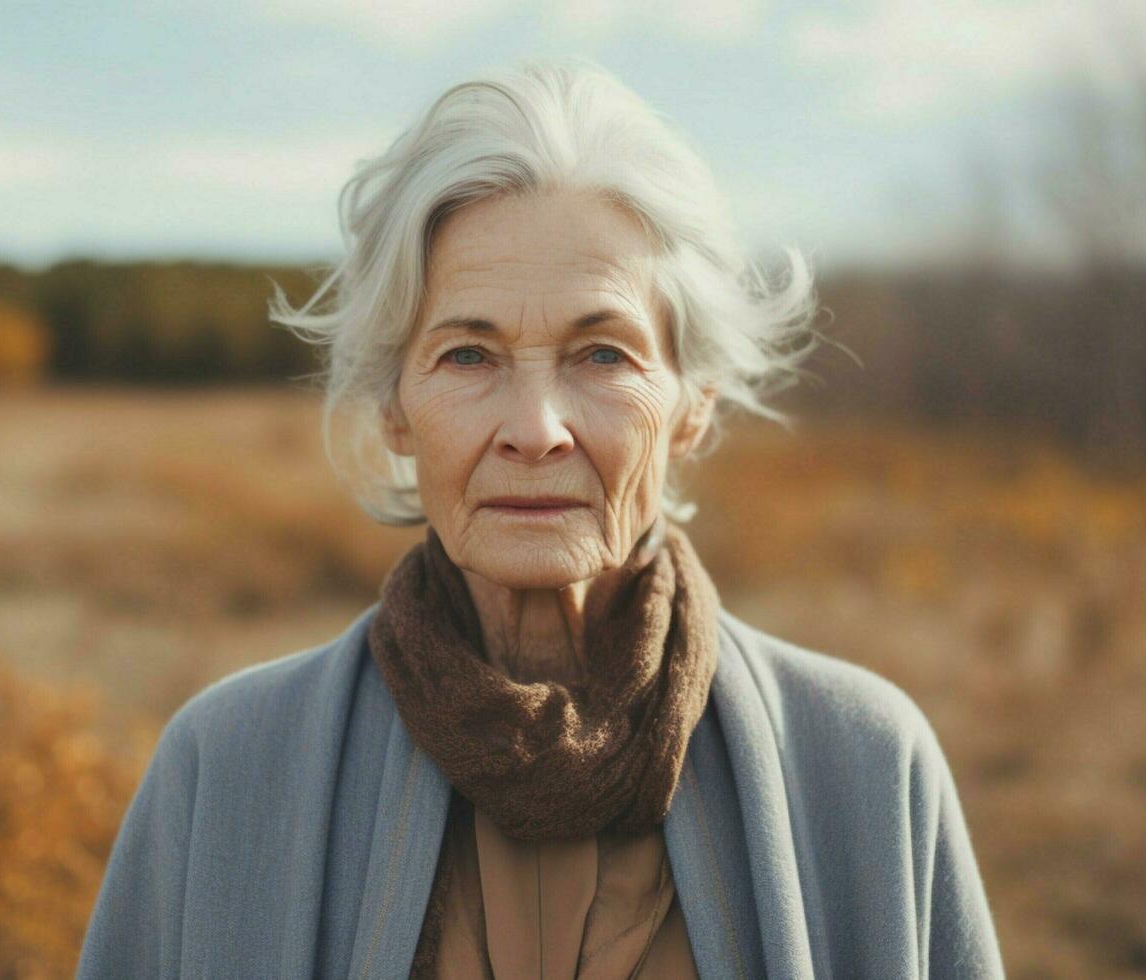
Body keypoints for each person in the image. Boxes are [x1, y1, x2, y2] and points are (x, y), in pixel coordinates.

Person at [77, 55, 1005, 979]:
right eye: (468, 356)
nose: (534, 430)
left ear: (694, 403)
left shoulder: (863, 769)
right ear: (393, 406)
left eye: (602, 355)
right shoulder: (227, 770)